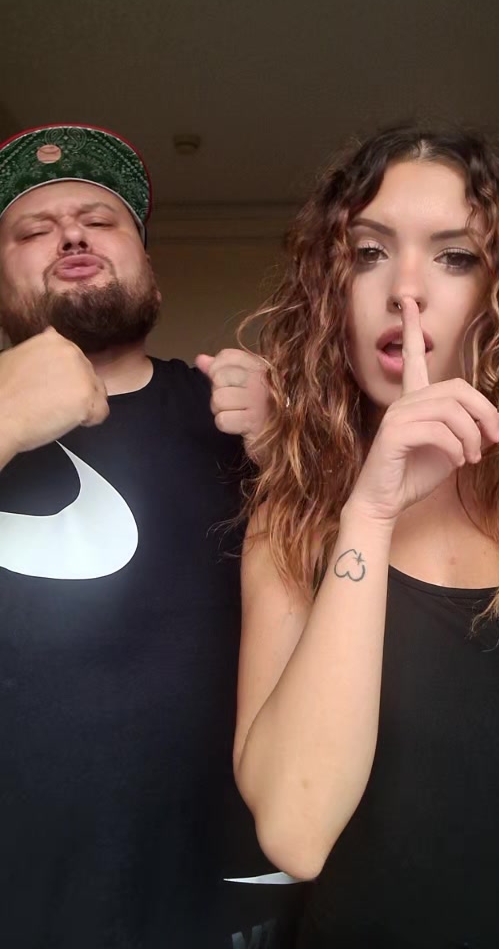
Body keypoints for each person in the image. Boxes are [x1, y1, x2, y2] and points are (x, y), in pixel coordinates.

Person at [233, 123, 499, 948]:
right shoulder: (293, 519)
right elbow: (295, 830)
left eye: (455, 256)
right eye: (368, 253)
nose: (406, 290)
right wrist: (370, 512)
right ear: (330, 290)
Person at [0, 123, 302, 949]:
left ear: (147, 267)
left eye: (101, 221)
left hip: (219, 904)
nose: (72, 236)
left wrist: (300, 452)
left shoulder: (243, 423)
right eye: (32, 230)